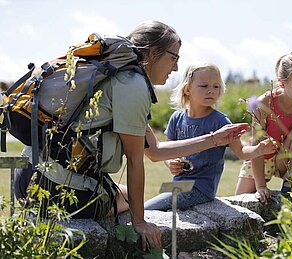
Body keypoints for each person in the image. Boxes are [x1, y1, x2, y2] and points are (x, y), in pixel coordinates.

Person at [14, 21, 249, 251]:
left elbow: (154, 151)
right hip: (55, 187)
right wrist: (139, 223)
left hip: (26, 177)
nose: (176, 68)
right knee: (126, 200)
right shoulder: (134, 85)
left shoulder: (117, 74)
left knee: (124, 194)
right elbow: (136, 161)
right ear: (154, 52)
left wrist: (214, 139)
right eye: (174, 57)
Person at [144, 62, 276, 211]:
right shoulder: (177, 118)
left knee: (147, 210)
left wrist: (258, 149)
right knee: (152, 207)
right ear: (188, 89)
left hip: (201, 189)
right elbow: (166, 151)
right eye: (204, 86)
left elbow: (241, 151)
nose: (211, 91)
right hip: (179, 185)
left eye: (216, 86)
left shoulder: (220, 121)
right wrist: (171, 163)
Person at [235, 51, 292, 204]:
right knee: (239, 201)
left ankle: (290, 183)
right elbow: (256, 144)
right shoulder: (265, 103)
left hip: (288, 160)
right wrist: (260, 186)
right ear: (282, 83)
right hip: (262, 157)